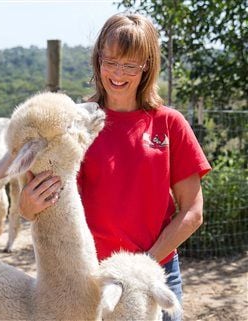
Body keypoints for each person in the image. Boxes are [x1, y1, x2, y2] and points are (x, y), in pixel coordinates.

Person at [18, 13, 211, 321]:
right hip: (89, 277)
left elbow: (193, 212)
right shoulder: (74, 125)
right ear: (98, 59)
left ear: (147, 65)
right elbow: (38, 204)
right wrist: (26, 206)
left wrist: (142, 268)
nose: (118, 73)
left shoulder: (169, 123)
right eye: (111, 61)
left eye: (130, 64)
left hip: (154, 272)